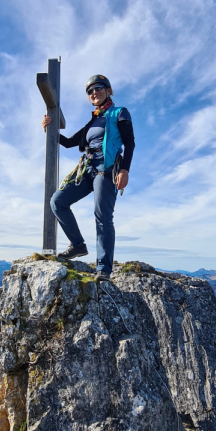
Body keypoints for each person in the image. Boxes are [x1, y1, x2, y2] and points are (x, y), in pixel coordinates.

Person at [41, 74, 135, 282]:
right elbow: (68, 142)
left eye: (99, 88)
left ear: (109, 90)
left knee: (102, 216)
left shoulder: (119, 113)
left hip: (106, 170)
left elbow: (129, 143)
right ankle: (77, 245)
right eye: (90, 91)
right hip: (87, 170)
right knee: (58, 201)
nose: (94, 92)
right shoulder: (93, 120)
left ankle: (103, 269)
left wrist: (124, 170)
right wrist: (49, 128)